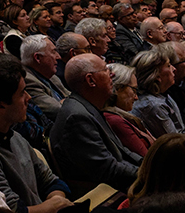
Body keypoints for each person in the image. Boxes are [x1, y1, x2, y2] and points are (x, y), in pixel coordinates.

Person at [0, 57, 74, 213]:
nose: (28, 98)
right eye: (22, 93)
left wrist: (53, 203)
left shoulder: (13, 135)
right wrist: (55, 205)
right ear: (0, 106)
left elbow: (52, 182)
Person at [50, 54, 141, 196]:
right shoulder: (77, 117)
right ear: (91, 80)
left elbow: (122, 151)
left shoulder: (88, 106)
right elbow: (107, 169)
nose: (113, 74)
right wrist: (148, 173)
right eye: (105, 70)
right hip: (108, 193)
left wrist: (148, 164)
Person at [105, 62, 155, 158]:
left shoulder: (122, 116)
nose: (136, 97)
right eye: (133, 90)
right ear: (118, 88)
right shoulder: (114, 120)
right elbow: (146, 159)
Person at [21, 34, 69, 119]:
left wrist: (65, 101)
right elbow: (57, 109)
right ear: (38, 58)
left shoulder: (50, 74)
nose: (58, 57)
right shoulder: (27, 80)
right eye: (53, 52)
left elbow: (71, 95)